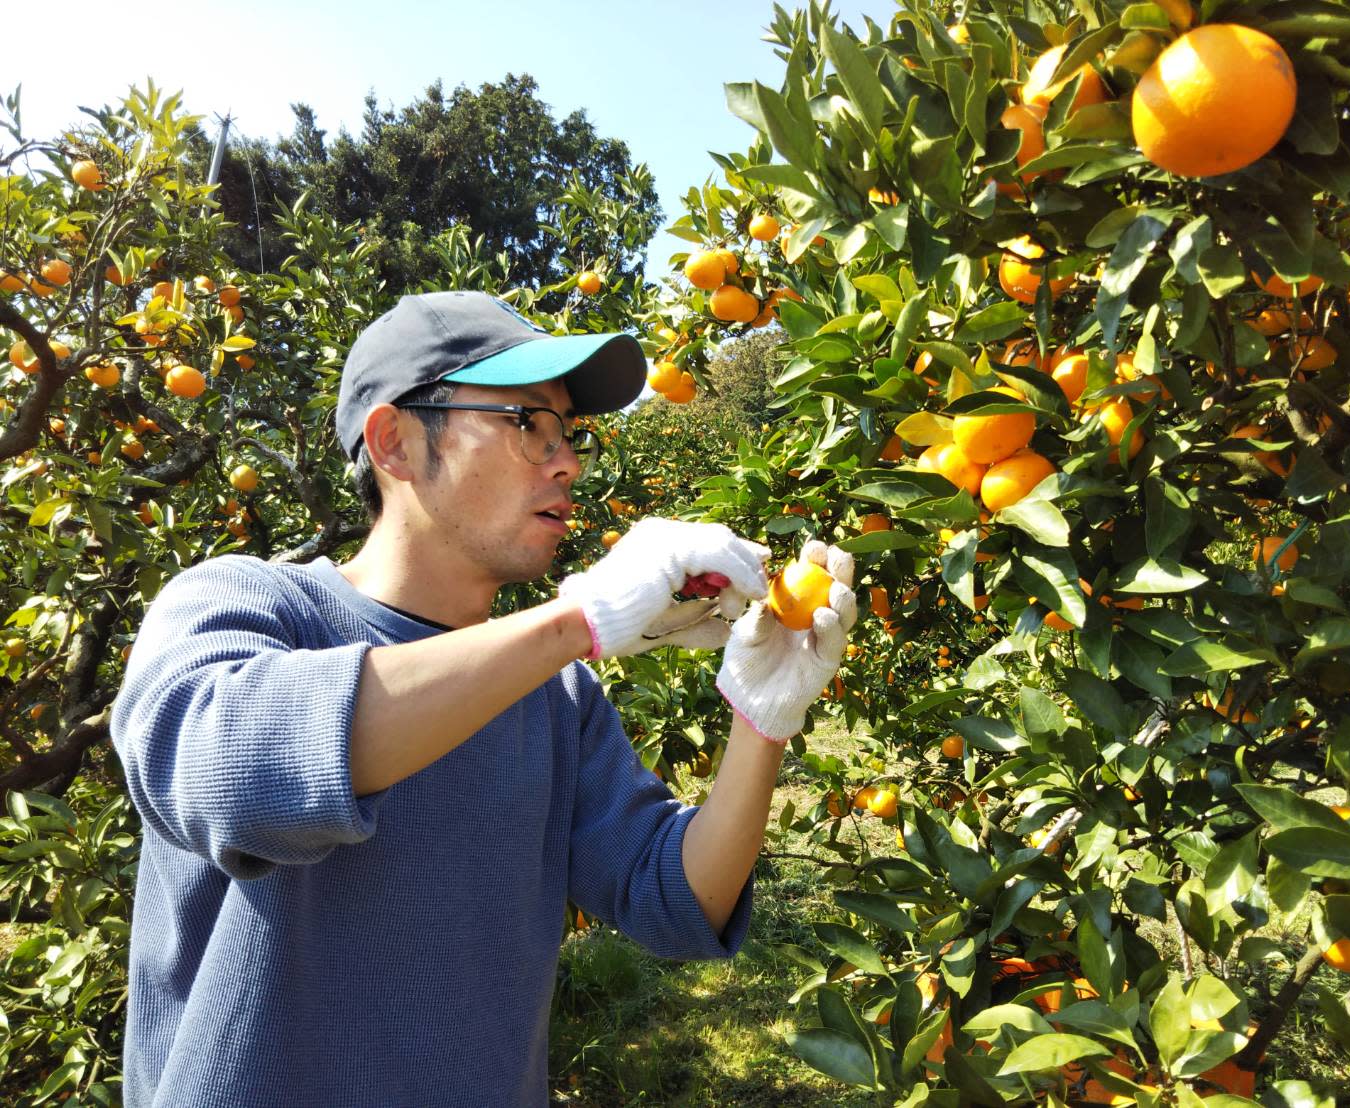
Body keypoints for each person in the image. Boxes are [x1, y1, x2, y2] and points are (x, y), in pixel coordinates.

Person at [110, 290, 856, 1107]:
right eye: (525, 422)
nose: (566, 460)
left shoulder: (555, 694)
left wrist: (761, 718)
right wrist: (578, 619)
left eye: (567, 431)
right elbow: (234, 775)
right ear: (394, 442)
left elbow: (674, 900)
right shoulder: (246, 603)